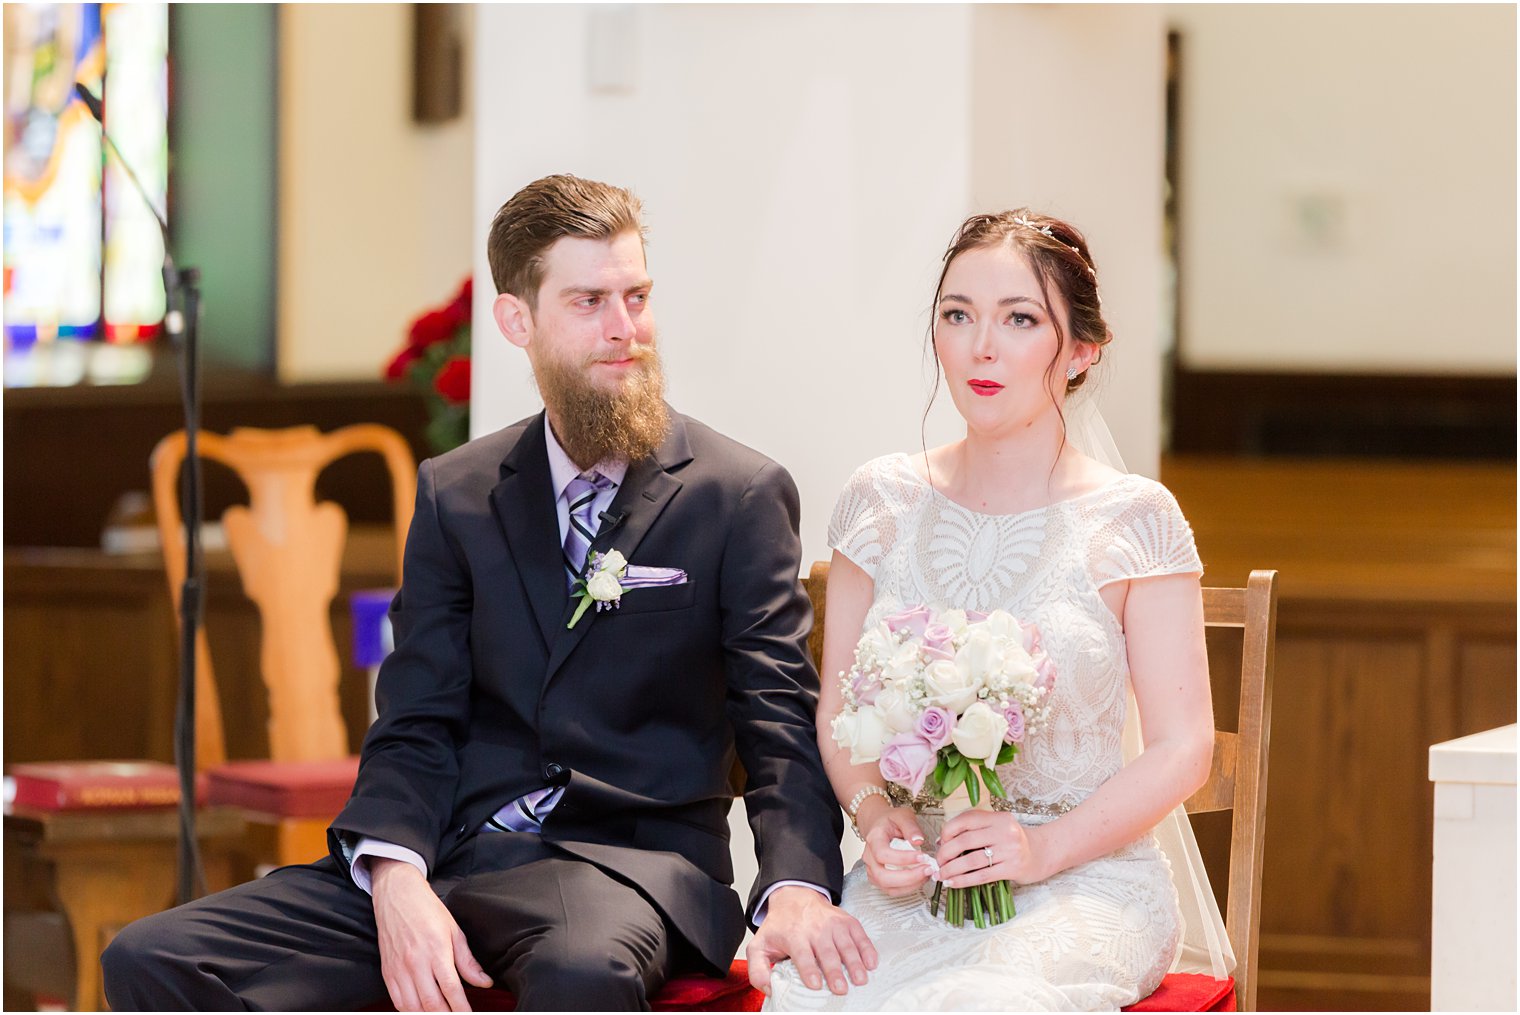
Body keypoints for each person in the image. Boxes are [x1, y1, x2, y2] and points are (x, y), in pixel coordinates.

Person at [102, 174, 876, 1011]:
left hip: (625, 869)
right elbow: (414, 719)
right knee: (155, 956)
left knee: (580, 969)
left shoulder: (739, 492)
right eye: (589, 301)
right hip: (454, 856)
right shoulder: (456, 493)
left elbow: (779, 721)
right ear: (519, 320)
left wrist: (796, 881)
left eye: (637, 296)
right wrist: (397, 877)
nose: (626, 330)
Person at [764, 209, 1228, 1010]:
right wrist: (878, 821)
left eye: (1019, 319)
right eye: (958, 315)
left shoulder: (1134, 520)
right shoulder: (879, 501)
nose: (982, 346)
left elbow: (1184, 747)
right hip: (920, 879)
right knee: (812, 994)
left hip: (1089, 877)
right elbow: (839, 707)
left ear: (1082, 349)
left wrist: (1042, 848)